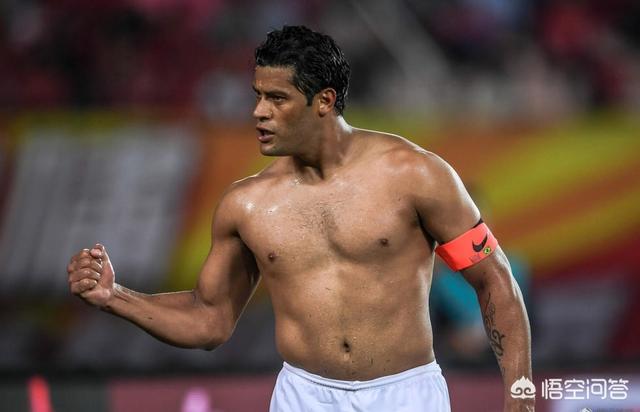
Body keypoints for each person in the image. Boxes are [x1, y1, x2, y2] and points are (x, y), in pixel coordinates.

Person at [67, 25, 533, 412]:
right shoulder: (246, 205)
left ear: (324, 101)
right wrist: (115, 297)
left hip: (406, 394)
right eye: (257, 96)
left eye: (277, 98)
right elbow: (210, 321)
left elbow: (495, 281)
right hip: (303, 397)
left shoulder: (416, 175)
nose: (258, 112)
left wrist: (521, 397)